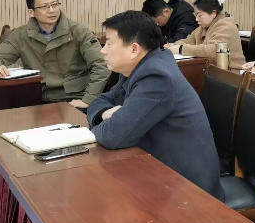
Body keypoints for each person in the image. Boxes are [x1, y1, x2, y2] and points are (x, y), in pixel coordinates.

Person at [87, 11, 224, 200]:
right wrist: (103, 114)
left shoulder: (157, 77)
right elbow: (99, 102)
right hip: (160, 172)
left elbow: (113, 135)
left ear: (134, 49)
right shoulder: (139, 67)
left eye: (109, 43)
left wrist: (110, 121)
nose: (103, 50)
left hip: (188, 191)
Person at [0, 0, 109, 108]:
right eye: (44, 7)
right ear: (31, 12)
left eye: (55, 5)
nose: (52, 10)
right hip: (36, 98)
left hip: (73, 97)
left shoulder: (78, 31)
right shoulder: (21, 34)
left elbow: (101, 65)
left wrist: (88, 100)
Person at [166, 0, 246, 70]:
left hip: (232, 71)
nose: (196, 19)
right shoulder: (204, 26)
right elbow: (190, 40)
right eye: (195, 15)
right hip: (212, 70)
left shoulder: (226, 26)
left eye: (199, 15)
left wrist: (180, 48)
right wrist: (173, 45)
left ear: (213, 13)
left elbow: (214, 50)